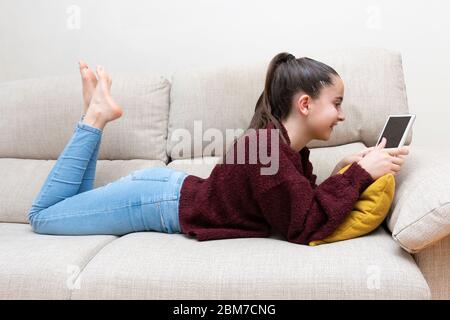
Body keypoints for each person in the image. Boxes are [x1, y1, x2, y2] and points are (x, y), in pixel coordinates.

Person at [28, 53, 409, 245]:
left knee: (66, 207)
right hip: (152, 202)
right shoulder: (267, 150)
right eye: (337, 103)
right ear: (305, 104)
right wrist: (359, 175)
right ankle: (93, 118)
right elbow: (303, 226)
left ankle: (92, 116)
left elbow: (299, 204)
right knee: (43, 217)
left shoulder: (282, 150)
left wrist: (344, 167)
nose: (341, 115)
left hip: (163, 192)